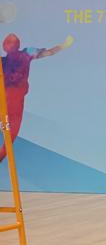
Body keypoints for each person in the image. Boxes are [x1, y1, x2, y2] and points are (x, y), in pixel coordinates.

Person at [0, 33, 73, 162]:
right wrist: (64, 45)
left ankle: (2, 151)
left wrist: (64, 45)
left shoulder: (24, 54)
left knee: (9, 129)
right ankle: (2, 150)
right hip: (11, 99)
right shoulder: (25, 53)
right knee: (10, 130)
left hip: (12, 99)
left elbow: (49, 52)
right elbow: (49, 52)